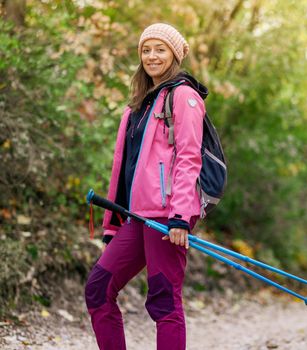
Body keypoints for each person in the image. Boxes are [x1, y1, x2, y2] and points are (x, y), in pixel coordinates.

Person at [84, 23, 209, 350]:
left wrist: (181, 216)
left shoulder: (184, 96)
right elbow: (123, 166)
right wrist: (114, 223)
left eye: (160, 49)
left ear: (174, 55)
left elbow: (189, 157)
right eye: (146, 49)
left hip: (168, 216)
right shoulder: (136, 105)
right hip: (136, 216)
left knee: (164, 300)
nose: (152, 56)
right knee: (98, 289)